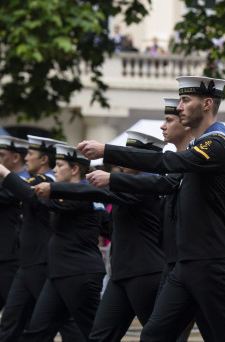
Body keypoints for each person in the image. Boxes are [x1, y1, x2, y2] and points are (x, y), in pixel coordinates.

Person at [78, 76, 225, 342]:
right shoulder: (203, 149)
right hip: (186, 265)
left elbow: (170, 163)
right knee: (153, 336)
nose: (179, 107)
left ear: (207, 104)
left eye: (185, 100)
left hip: (211, 264)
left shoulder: (217, 145)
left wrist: (108, 151)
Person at [36, 131, 166, 342]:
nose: (124, 159)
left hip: (145, 272)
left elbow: (98, 193)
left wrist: (54, 188)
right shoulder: (130, 183)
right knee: (99, 337)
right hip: (120, 274)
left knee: (158, 336)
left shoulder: (149, 182)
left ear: (146, 159)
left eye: (130, 154)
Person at [2, 144, 107, 341]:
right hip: (58, 273)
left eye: (59, 165)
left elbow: (37, 199)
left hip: (79, 273)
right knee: (38, 332)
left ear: (74, 169)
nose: (54, 169)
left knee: (93, 333)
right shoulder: (75, 193)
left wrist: (3, 172)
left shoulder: (82, 193)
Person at [0, 137, 29, 311]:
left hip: (12, 257)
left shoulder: (24, 182)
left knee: (17, 313)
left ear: (16, 157)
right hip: (5, 255)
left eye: (2, 155)